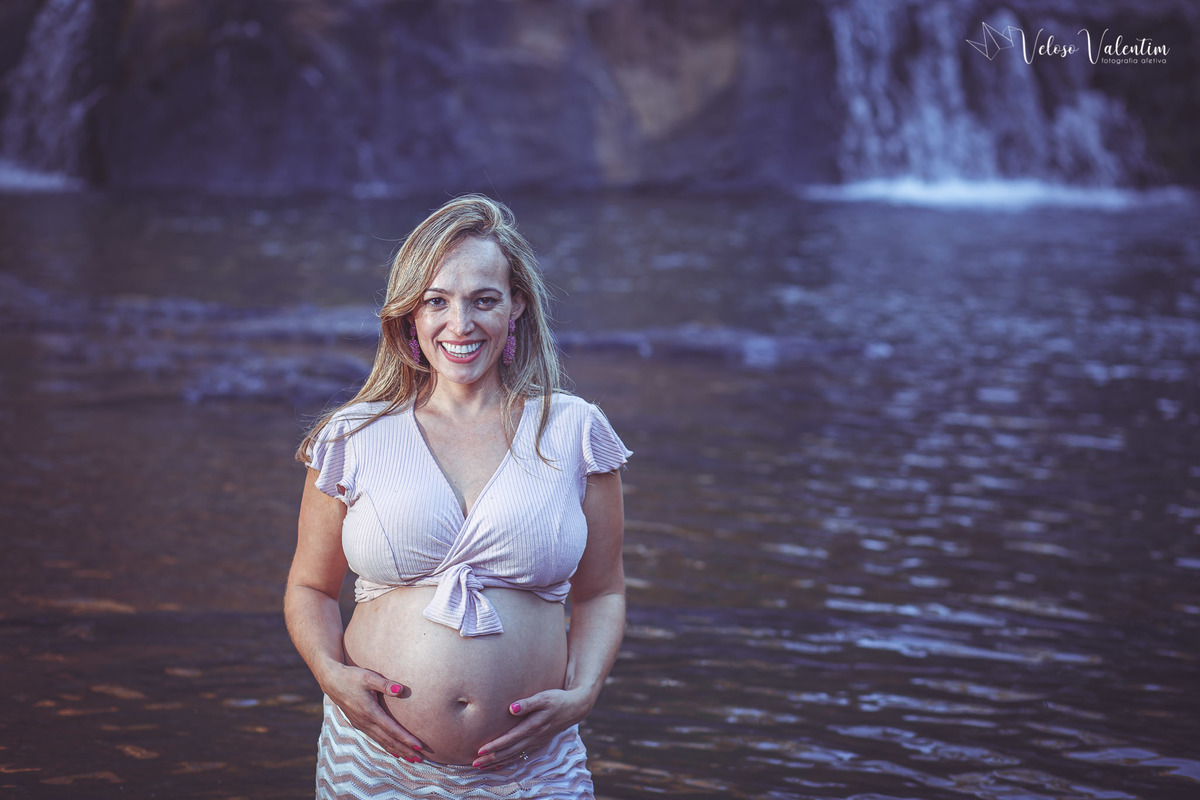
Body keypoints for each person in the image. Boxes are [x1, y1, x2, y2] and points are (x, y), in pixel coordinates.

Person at [285, 195, 630, 800]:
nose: (460, 324)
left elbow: (603, 590)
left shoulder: (574, 429)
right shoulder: (354, 435)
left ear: (517, 304)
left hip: (535, 769)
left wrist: (585, 692)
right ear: (410, 314)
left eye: (484, 300)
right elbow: (310, 588)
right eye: (437, 301)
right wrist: (330, 673)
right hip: (375, 763)